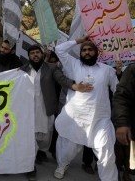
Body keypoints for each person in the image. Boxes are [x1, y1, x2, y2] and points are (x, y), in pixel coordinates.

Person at [53, 35, 119, 181]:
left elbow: (118, 90)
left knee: (106, 153)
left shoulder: (107, 70)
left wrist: (119, 72)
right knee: (67, 150)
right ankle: (62, 165)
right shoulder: (73, 64)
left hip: (99, 120)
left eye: (90, 50)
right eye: (84, 50)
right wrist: (79, 41)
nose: (87, 52)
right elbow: (59, 49)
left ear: (96, 53)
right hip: (75, 118)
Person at [20, 44, 89, 181]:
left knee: (44, 139)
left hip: (46, 110)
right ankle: (30, 166)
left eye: (37, 52)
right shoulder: (22, 70)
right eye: (32, 53)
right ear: (28, 56)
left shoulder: (51, 68)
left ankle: (39, 152)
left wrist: (74, 85)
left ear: (41, 54)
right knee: (30, 138)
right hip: (28, 111)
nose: (35, 55)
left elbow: (61, 79)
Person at [112, 63, 135, 181]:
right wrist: (122, 123)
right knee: (122, 150)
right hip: (129, 122)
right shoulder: (132, 69)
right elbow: (121, 97)